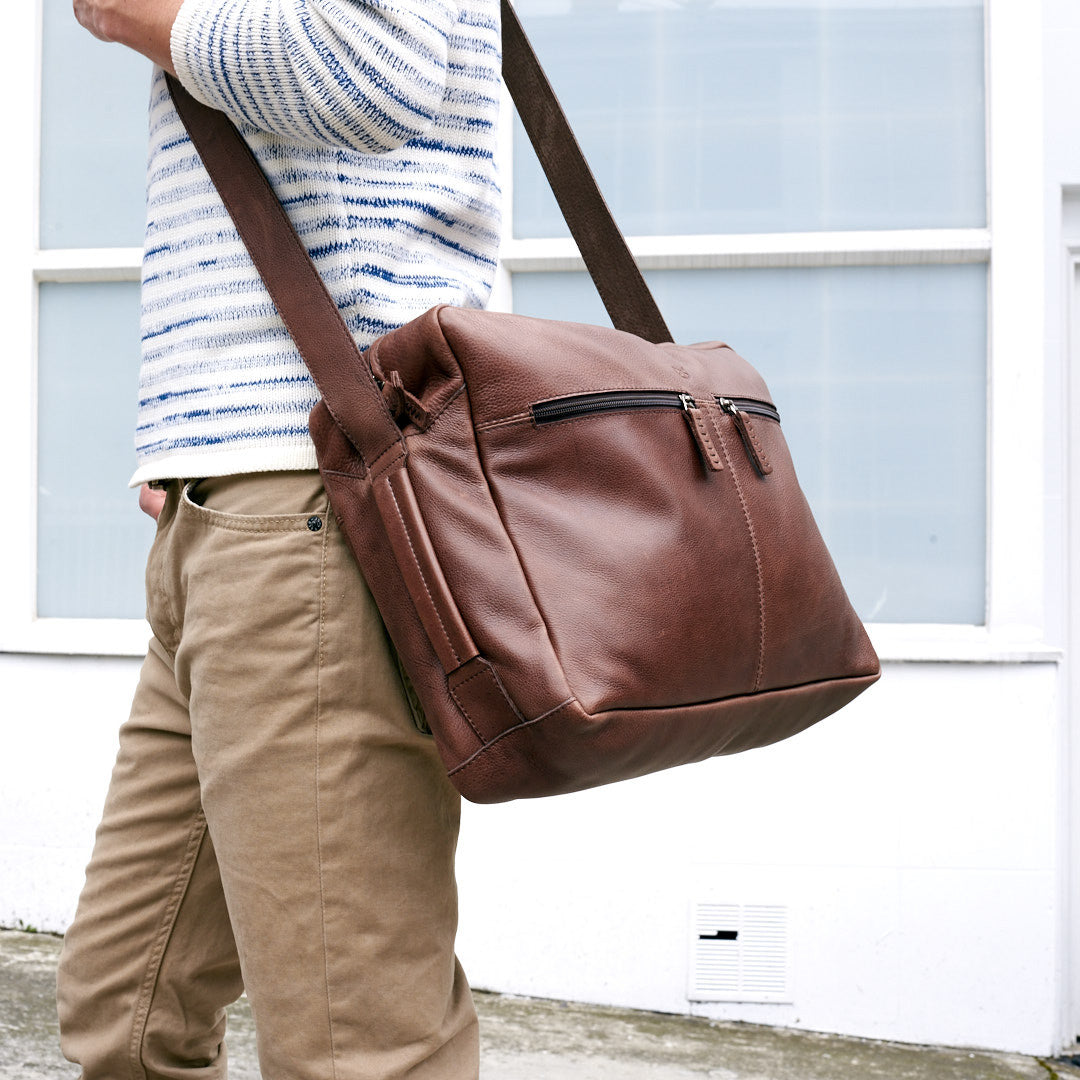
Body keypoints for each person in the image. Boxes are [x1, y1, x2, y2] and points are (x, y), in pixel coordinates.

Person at [56, 0, 501, 1076]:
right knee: (126, 1012)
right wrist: (193, 438)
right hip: (233, 505)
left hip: (314, 504)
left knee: (358, 1046)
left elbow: (373, 70)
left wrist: (138, 16)